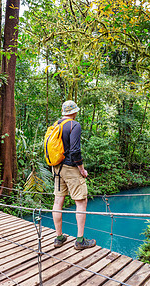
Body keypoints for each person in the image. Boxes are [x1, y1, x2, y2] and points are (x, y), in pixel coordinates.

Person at [52, 100, 96, 250]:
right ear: (74, 112)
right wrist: (82, 169)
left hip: (56, 168)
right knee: (81, 202)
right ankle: (80, 241)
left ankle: (59, 238)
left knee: (58, 201)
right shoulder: (74, 125)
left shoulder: (56, 125)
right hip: (70, 168)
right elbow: (75, 150)